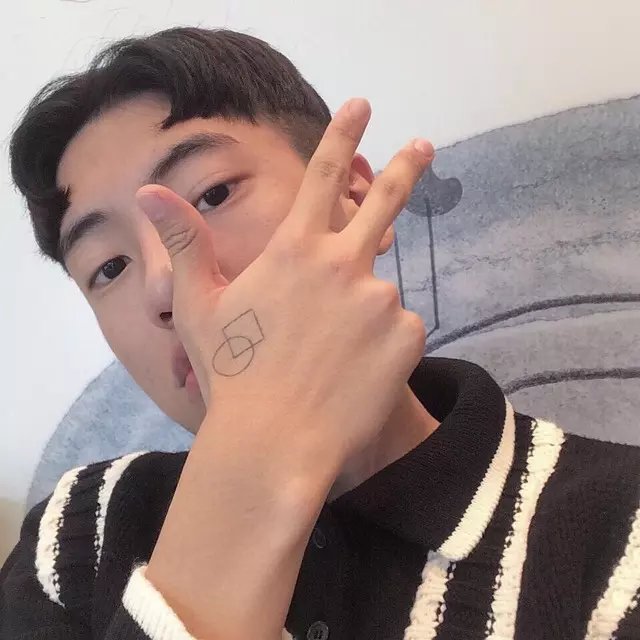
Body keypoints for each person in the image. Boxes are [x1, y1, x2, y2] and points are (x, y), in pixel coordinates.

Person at [1, 27, 639, 640]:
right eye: (109, 267)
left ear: (353, 196)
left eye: (213, 194)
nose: (163, 287)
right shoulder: (76, 539)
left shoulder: (619, 537)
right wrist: (255, 468)